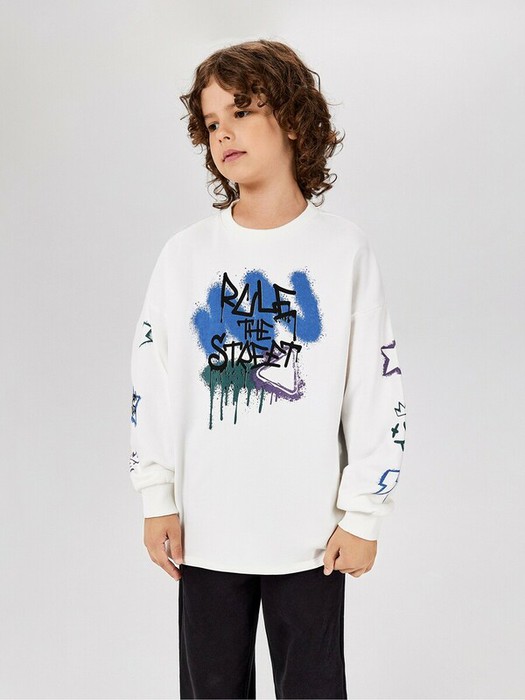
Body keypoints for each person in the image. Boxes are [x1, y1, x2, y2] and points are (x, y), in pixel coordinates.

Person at [128, 39, 407, 700]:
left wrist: (363, 512)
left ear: (294, 121)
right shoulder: (185, 256)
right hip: (205, 533)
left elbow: (373, 386)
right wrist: (156, 496)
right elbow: (152, 379)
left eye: (242, 111)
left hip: (311, 537)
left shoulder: (342, 251)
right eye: (211, 123)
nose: (223, 132)